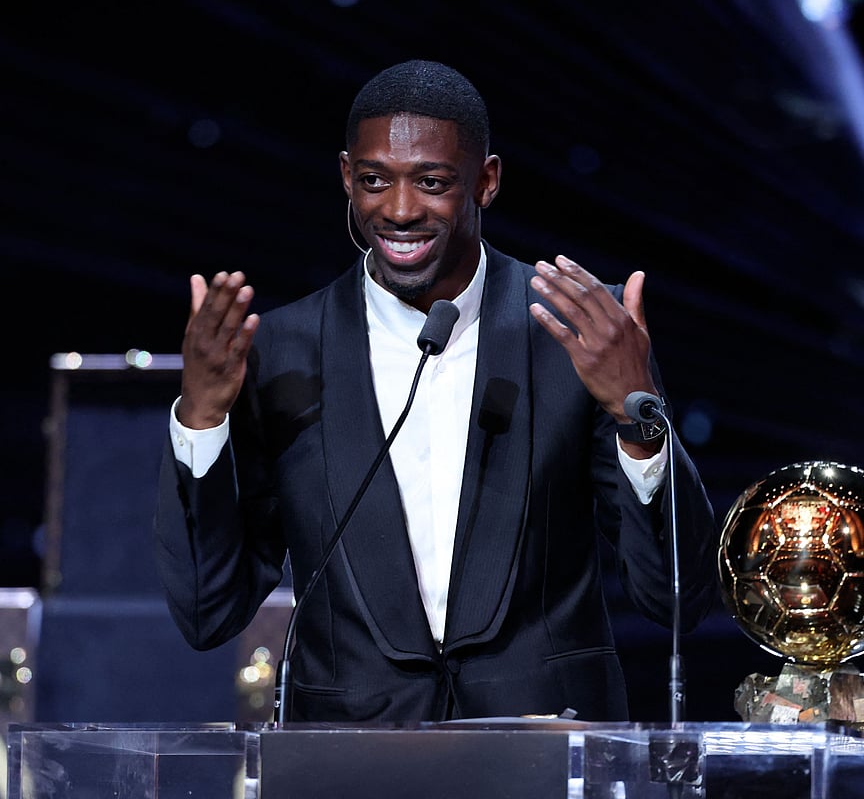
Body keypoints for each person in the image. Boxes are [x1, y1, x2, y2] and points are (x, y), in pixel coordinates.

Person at [153, 59, 719, 723]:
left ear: (486, 181)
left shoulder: (577, 338)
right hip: (347, 757)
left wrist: (636, 415)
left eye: (432, 182)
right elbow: (208, 613)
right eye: (374, 180)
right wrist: (200, 421)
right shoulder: (280, 350)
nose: (399, 210)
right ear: (346, 177)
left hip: (548, 749)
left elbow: (677, 600)